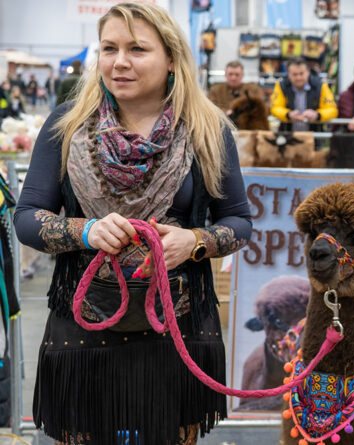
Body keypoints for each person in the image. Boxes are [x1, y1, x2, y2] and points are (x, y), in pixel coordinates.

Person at [14, 3, 252, 444]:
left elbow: (238, 221)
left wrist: (194, 241)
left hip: (176, 327)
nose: (119, 61)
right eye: (109, 48)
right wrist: (84, 231)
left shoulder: (207, 130)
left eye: (137, 48)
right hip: (83, 329)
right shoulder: (65, 127)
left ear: (172, 59)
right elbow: (27, 219)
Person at [270, 57, 337, 132]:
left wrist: (317, 115)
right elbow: (275, 108)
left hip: (314, 136)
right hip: (288, 135)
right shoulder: (281, 86)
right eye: (294, 74)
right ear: (288, 74)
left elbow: (332, 110)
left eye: (301, 73)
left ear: (308, 72)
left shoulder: (320, 86)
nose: (298, 78)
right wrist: (288, 115)